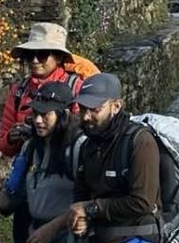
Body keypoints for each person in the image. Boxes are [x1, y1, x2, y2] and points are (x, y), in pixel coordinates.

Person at [0, 24, 89, 243]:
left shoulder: (75, 88)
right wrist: (13, 137)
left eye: (42, 54)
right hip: (29, 185)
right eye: (30, 55)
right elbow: (3, 142)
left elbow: (83, 133)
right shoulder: (19, 90)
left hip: (64, 189)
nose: (35, 61)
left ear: (58, 57)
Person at [68, 74, 161, 243]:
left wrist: (91, 208)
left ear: (116, 106)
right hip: (99, 236)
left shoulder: (140, 141)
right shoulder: (88, 145)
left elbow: (142, 202)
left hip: (137, 235)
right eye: (82, 109)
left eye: (95, 109)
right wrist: (81, 219)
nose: (86, 116)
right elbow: (81, 194)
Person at [0, 81, 81, 243]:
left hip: (69, 236)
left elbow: (89, 202)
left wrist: (52, 228)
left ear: (63, 114)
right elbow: (17, 195)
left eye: (45, 115)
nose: (37, 120)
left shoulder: (78, 148)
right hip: (35, 233)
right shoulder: (30, 148)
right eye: (35, 113)